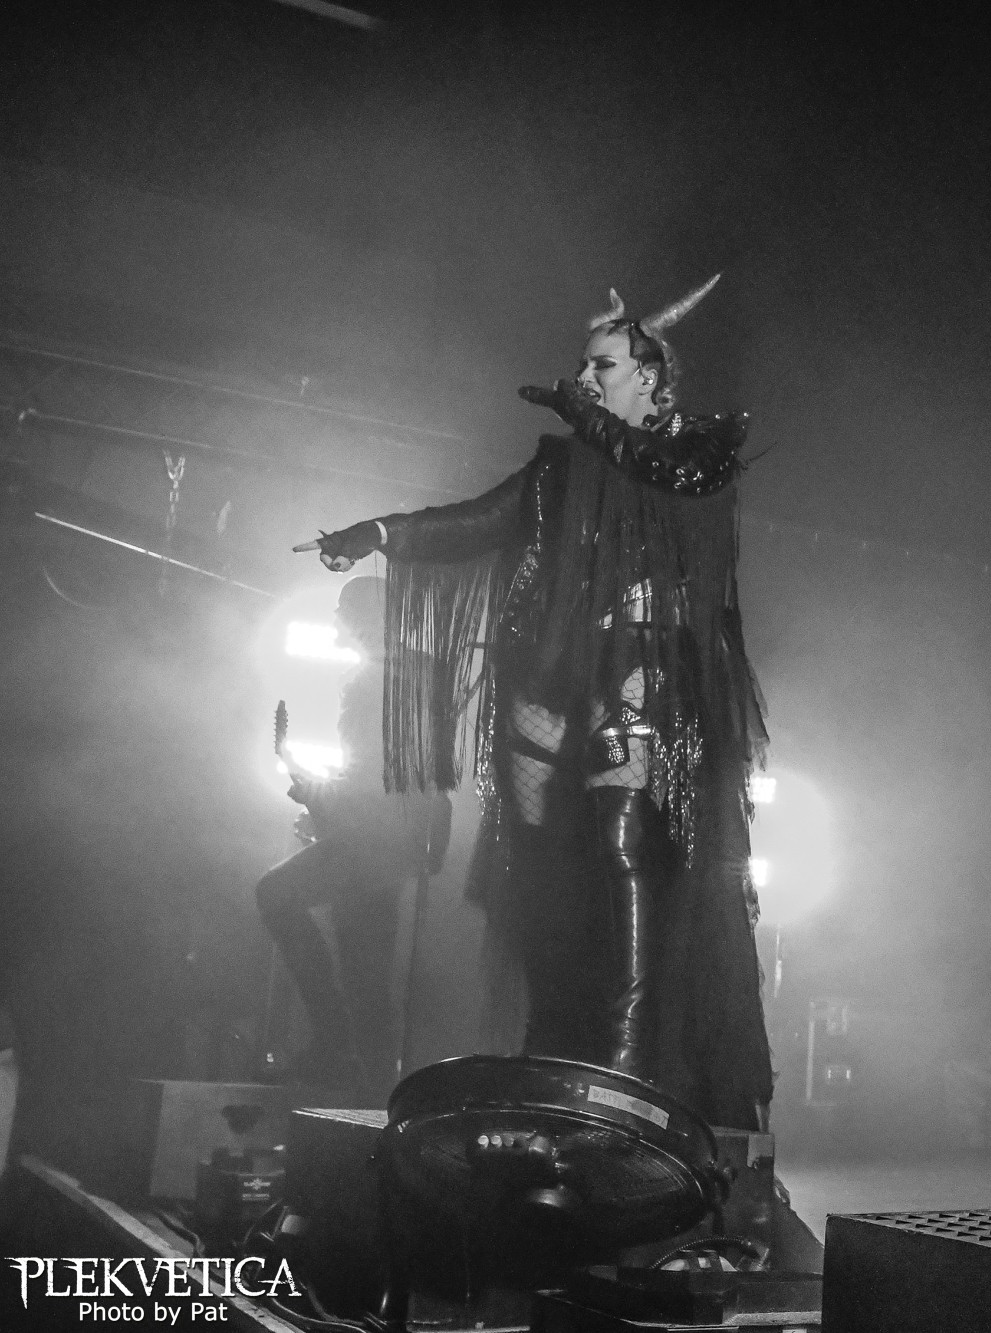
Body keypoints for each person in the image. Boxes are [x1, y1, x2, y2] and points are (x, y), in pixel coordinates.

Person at [296, 278, 772, 1131]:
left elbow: (671, 475)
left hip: (645, 673)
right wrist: (381, 533)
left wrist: (583, 416)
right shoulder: (561, 467)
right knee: (545, 865)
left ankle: (628, 1057)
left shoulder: (699, 449)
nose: (584, 379)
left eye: (603, 366)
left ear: (651, 376)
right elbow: (481, 519)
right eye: (582, 367)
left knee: (625, 840)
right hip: (556, 677)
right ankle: (558, 1045)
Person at [258, 575, 450, 1096]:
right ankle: (367, 1084)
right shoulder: (410, 672)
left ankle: (335, 1042)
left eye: (344, 609)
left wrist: (317, 795)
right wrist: (323, 807)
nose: (337, 619)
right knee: (364, 969)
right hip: (386, 839)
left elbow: (375, 777)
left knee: (275, 894)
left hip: (375, 841)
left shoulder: (378, 678)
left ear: (367, 615)